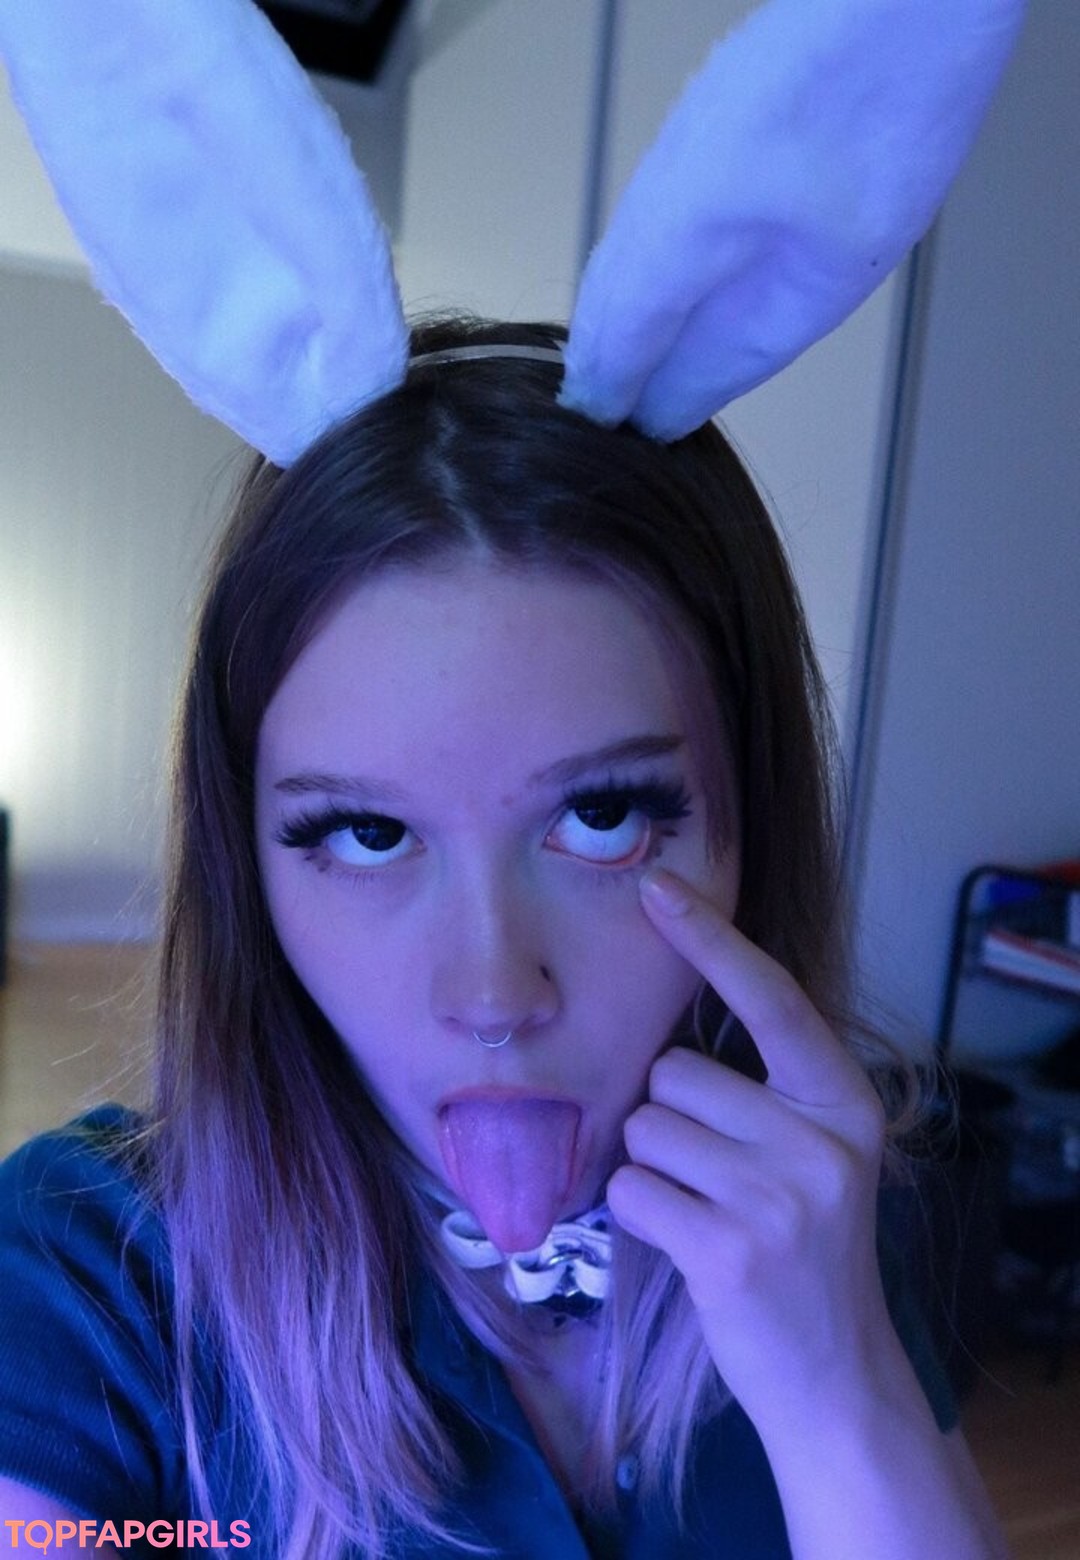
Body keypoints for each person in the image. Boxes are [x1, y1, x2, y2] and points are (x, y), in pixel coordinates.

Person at [0, 316, 1007, 1557]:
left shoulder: (815, 1212)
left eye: (601, 819)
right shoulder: (85, 1278)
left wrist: (841, 1393)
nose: (491, 991)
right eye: (368, 833)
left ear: (753, 823)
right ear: (244, 865)